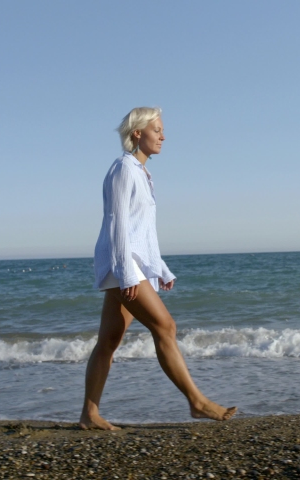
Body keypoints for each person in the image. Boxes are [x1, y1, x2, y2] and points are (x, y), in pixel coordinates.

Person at [80, 107, 237, 430]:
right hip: (123, 265)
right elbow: (118, 224)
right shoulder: (123, 168)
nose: (163, 136)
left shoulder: (142, 173)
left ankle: (89, 414)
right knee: (165, 327)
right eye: (157, 130)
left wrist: (160, 268)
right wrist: (126, 273)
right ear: (137, 133)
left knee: (109, 339)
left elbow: (143, 232)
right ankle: (197, 401)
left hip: (131, 265)